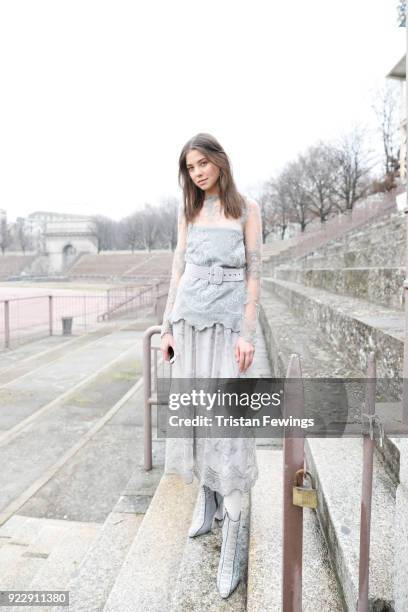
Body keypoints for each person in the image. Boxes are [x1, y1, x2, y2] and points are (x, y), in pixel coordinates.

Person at [160, 132, 262, 599]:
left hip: (228, 330)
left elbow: (255, 274)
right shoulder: (188, 211)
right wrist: (165, 328)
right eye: (190, 166)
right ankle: (209, 493)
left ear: (219, 161)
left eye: (203, 163)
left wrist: (248, 333)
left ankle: (235, 537)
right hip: (189, 324)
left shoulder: (247, 209)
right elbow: (178, 269)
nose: (198, 172)